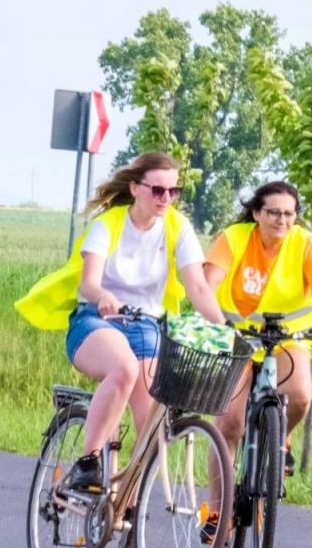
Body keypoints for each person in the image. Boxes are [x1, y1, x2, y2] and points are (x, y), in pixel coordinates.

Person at [17, 151, 224, 505]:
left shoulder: (178, 227)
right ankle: (88, 461)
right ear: (136, 188)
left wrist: (221, 327)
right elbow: (89, 282)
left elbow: (199, 288)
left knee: (152, 424)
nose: (166, 199)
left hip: (145, 324)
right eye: (158, 190)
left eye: (173, 192)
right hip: (96, 320)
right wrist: (103, 297)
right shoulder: (109, 224)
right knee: (123, 368)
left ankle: (125, 513)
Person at [203, 180, 312, 481]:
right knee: (228, 424)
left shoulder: (305, 244)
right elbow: (208, 282)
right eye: (274, 213)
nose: (282, 220)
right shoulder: (233, 238)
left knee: (301, 395)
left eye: (289, 214)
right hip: (236, 337)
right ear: (256, 213)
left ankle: (280, 439)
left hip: (286, 339)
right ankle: (217, 514)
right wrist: (216, 322)